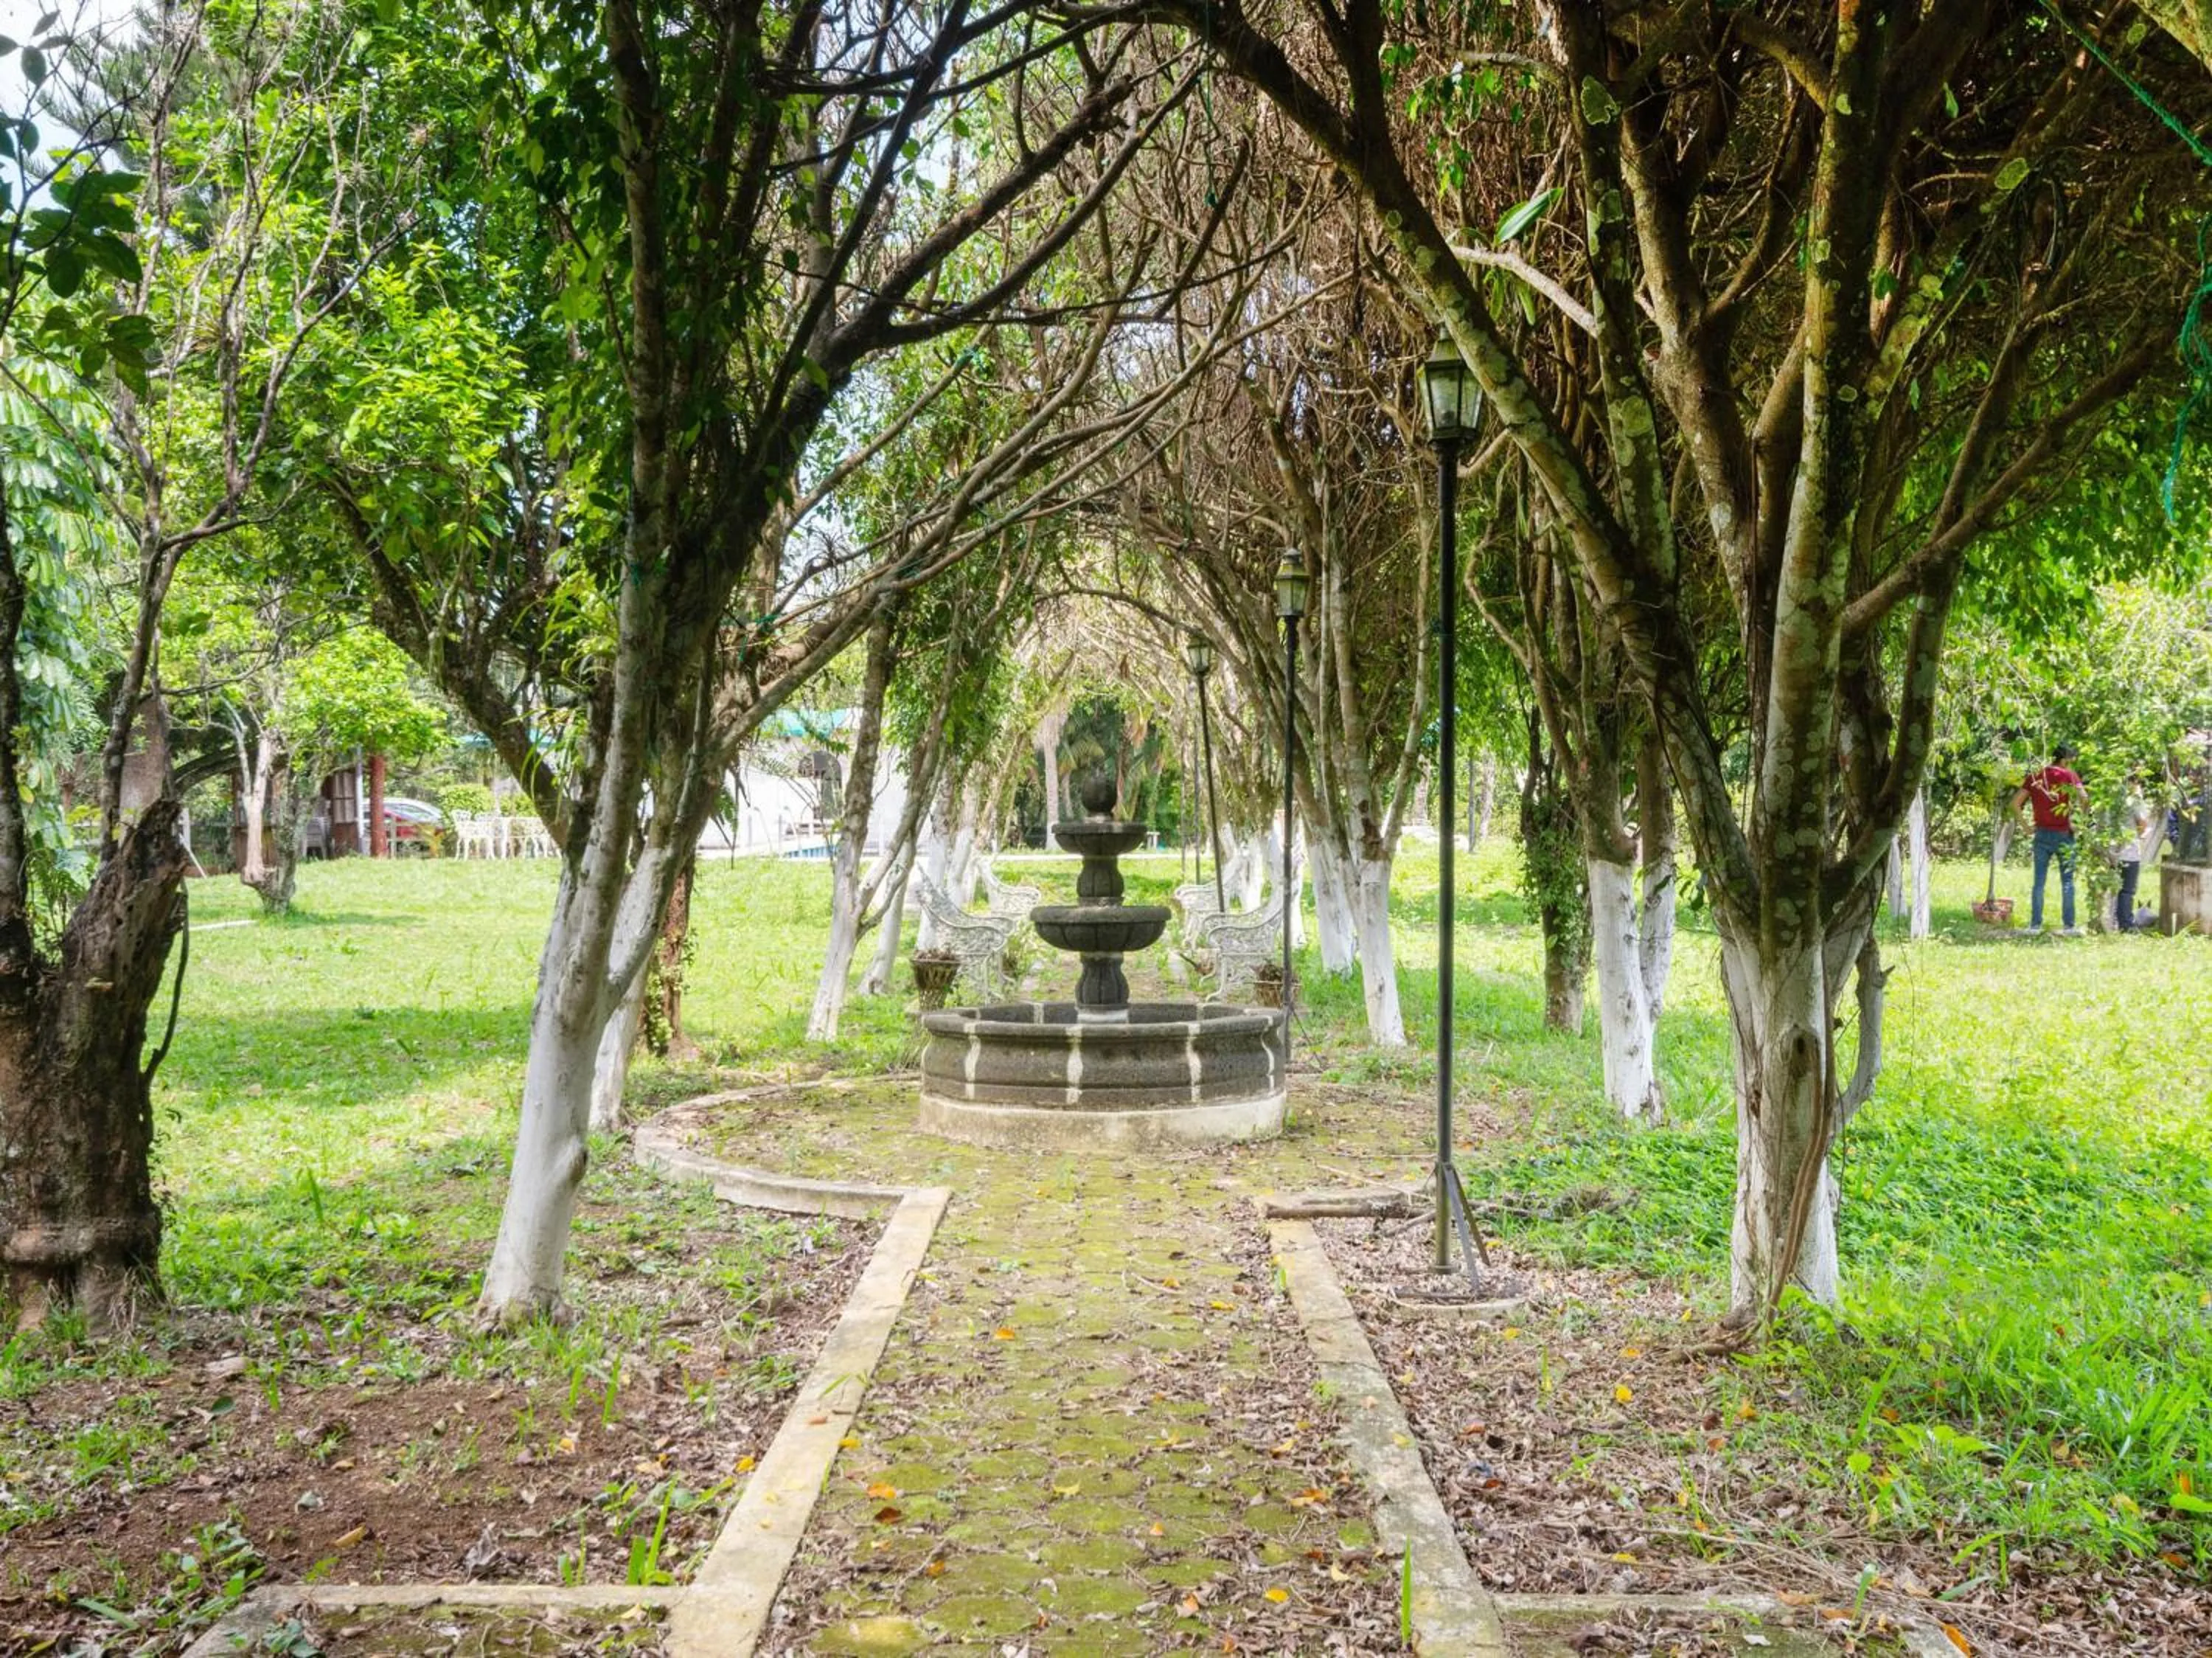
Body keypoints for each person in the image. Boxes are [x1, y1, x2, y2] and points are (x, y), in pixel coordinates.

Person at [2011, 743, 2086, 935]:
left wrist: (2026, 827)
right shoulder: (2070, 776)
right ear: (2065, 759)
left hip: (2041, 834)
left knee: (2039, 882)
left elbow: (2015, 803)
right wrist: (2079, 822)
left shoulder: (2037, 776)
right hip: (2064, 834)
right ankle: (2069, 926)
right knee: (2067, 881)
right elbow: (2084, 798)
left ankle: (2035, 926)